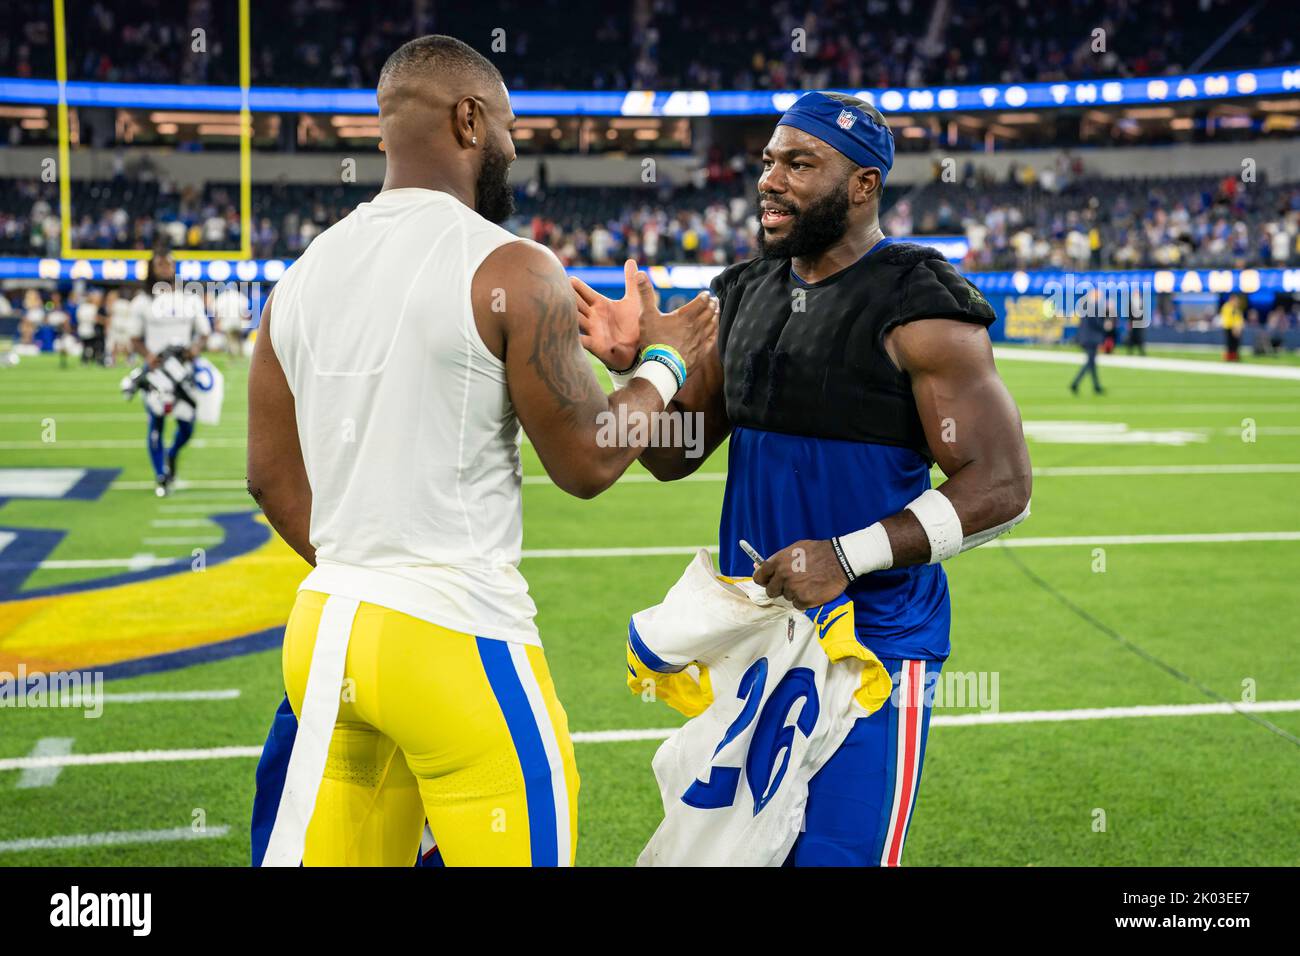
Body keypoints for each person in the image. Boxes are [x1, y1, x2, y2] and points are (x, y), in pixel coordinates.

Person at [245, 35, 715, 867]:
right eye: (507, 127)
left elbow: (268, 475)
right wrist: (666, 361)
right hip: (453, 638)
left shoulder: (303, 273)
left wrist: (372, 563)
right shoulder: (511, 262)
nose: (510, 147)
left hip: (325, 631)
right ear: (469, 119)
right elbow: (589, 460)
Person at [576, 91, 1032, 866]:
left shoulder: (919, 303)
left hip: (874, 649)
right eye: (767, 162)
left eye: (799, 162)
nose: (770, 180)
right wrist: (641, 367)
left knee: (831, 857)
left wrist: (847, 556)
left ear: (863, 184)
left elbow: (1001, 484)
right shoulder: (743, 292)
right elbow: (672, 454)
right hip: (756, 637)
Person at [131, 252, 210, 496]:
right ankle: (161, 475)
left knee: (187, 427)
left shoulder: (190, 299)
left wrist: (193, 351)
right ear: (151, 269)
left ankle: (172, 453)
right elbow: (135, 338)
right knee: (156, 422)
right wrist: (149, 357)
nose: (165, 268)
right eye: (160, 264)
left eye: (169, 263)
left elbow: (203, 333)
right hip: (156, 373)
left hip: (183, 372)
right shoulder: (142, 302)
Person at [1070, 289, 1110, 395]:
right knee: (1090, 362)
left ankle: (1096, 386)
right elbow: (1097, 323)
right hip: (1091, 339)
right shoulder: (1093, 307)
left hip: (1086, 338)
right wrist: (1106, 324)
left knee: (1091, 363)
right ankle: (1075, 383)